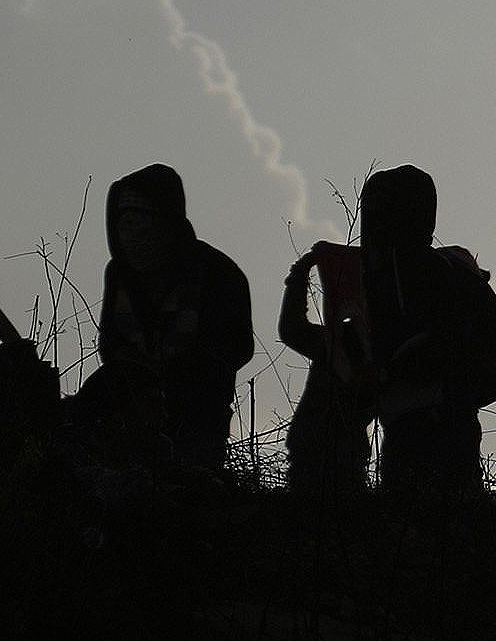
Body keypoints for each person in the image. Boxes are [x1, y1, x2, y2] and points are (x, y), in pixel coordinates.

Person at [351, 166, 496, 501]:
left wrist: (388, 372)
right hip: (437, 417)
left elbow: (439, 344)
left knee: (419, 517)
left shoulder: (417, 272)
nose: (370, 226)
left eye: (378, 213)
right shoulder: (441, 269)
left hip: (429, 420)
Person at [81, 164, 254, 476]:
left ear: (168, 224)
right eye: (124, 226)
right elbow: (111, 345)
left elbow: (237, 348)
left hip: (198, 414)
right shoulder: (118, 275)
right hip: (128, 415)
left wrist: (178, 372)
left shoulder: (218, 273)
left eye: (142, 224)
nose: (131, 238)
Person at [276, 245, 371, 496]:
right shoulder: (348, 342)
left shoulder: (342, 343)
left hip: (327, 451)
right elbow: (293, 330)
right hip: (324, 451)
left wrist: (298, 277)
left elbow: (292, 329)